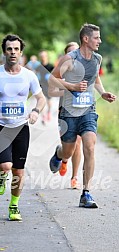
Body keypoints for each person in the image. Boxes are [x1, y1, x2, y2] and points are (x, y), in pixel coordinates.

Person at [49, 23, 116, 208]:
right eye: (96, 37)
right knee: (68, 152)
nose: (100, 41)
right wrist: (72, 86)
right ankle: (59, 154)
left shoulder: (97, 58)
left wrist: (102, 93)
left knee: (90, 147)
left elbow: (96, 79)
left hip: (88, 110)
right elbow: (52, 79)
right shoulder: (70, 58)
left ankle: (86, 192)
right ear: (85, 39)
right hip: (69, 113)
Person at [0, 34, 46, 221]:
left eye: (16, 49)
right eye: (9, 49)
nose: (13, 52)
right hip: (1, 126)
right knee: (6, 166)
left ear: (21, 52)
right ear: (4, 52)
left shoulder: (29, 75)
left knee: (18, 170)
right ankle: (1, 174)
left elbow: (41, 99)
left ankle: (14, 205)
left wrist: (35, 111)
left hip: (21, 127)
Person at [49, 42, 81, 189]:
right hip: (65, 111)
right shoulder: (61, 72)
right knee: (69, 147)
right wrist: (69, 89)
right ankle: (60, 155)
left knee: (79, 143)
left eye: (76, 51)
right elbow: (51, 91)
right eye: (70, 53)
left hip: (82, 110)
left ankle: (75, 177)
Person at [35, 50, 54, 124]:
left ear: (47, 57)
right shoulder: (39, 67)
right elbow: (35, 74)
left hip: (49, 86)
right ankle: (43, 116)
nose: (43, 58)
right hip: (41, 86)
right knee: (42, 100)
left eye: (44, 56)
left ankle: (49, 113)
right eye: (41, 56)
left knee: (49, 102)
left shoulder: (51, 66)